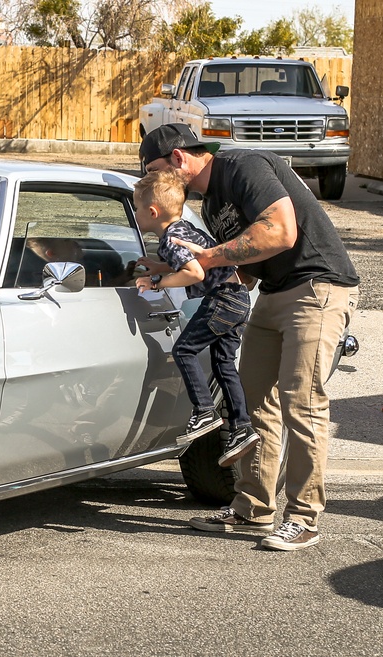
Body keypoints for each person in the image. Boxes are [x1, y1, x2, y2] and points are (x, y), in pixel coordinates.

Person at [140, 123, 360, 551]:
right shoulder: (211, 202)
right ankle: (253, 509)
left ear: (180, 158)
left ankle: (304, 518)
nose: (154, 184)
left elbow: (280, 232)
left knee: (303, 402)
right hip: (273, 293)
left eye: (155, 171)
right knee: (254, 401)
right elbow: (236, 265)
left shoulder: (244, 165)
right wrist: (167, 272)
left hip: (317, 287)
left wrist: (205, 256)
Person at [132, 170, 258, 466]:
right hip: (238, 297)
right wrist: (159, 265)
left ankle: (204, 411)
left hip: (222, 299)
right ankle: (241, 426)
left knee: (183, 350)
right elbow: (192, 260)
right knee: (223, 363)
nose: (136, 214)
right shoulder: (183, 228)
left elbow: (194, 272)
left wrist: (157, 283)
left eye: (137, 209)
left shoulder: (169, 239)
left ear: (152, 212)